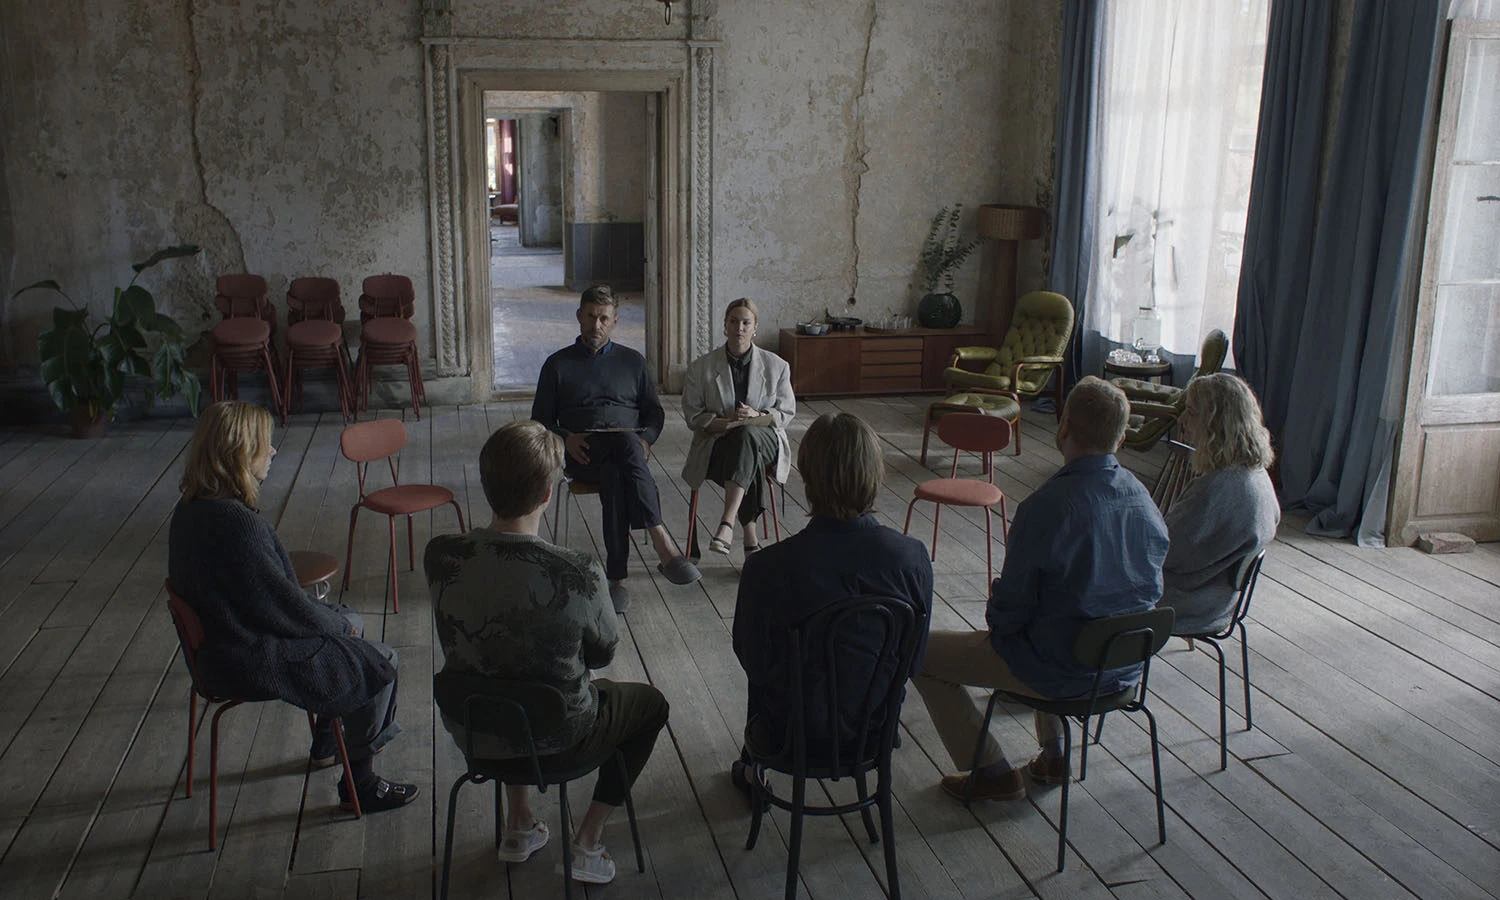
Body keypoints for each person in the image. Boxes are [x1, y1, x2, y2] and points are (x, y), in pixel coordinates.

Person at [424, 420, 670, 886]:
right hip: (560, 738)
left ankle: (519, 823)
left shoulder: (441, 555)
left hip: (474, 729)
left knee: (502, 669)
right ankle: (588, 839)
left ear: (487, 485)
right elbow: (603, 653)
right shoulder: (577, 571)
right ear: (547, 494)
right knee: (650, 706)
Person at [912, 377, 1169, 802]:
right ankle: (1054, 755)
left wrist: (998, 625)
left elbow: (1010, 611)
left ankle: (991, 772)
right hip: (1124, 665)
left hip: (1060, 670)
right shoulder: (1143, 499)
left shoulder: (1047, 507)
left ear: (1063, 427)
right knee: (1060, 615)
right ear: (1121, 438)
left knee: (920, 654)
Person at [166, 401, 417, 813]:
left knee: (349, 619)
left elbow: (269, 599)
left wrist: (337, 622)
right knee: (379, 660)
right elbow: (284, 609)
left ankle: (326, 744)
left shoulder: (192, 507)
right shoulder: (238, 525)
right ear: (240, 453)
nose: (273, 451)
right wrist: (337, 628)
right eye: (264, 444)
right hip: (245, 655)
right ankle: (361, 783)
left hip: (220, 643)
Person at [730, 412, 932, 789]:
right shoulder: (911, 558)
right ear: (875, 473)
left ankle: (752, 770)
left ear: (807, 476)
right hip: (873, 731)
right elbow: (914, 660)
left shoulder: (766, 567)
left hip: (789, 734)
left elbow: (752, 660)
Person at [531, 283, 700, 614]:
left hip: (624, 455)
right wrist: (566, 437)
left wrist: (646, 439)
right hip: (583, 454)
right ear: (579, 316)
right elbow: (539, 421)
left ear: (615, 321)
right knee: (624, 446)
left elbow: (654, 413)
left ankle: (617, 579)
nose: (596, 325)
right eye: (591, 316)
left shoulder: (633, 362)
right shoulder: (557, 365)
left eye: (604, 318)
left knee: (616, 471)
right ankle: (662, 542)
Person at [1159, 373, 1279, 635]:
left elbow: (1164, 552)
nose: (1182, 420)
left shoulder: (1218, 488)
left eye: (1191, 412)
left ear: (1215, 424)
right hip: (1219, 599)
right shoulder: (1257, 474)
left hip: (1186, 603)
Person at [681, 298, 795, 556]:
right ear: (725, 325)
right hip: (719, 443)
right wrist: (726, 422)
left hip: (767, 440)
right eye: (734, 321)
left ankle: (728, 521)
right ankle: (750, 538)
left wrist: (758, 414)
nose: (739, 328)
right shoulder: (701, 368)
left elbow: (787, 413)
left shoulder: (777, 366)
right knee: (745, 446)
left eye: (746, 322)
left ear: (755, 327)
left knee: (747, 435)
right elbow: (692, 416)